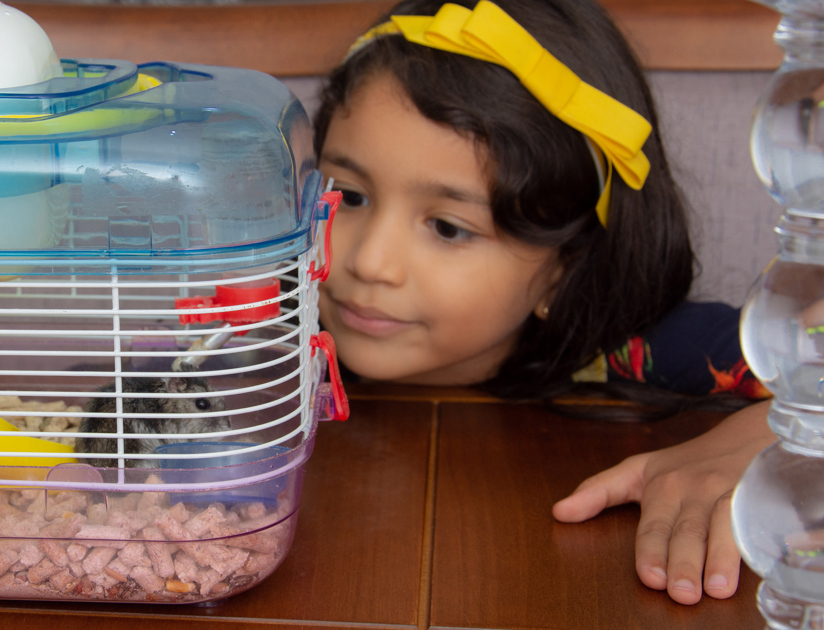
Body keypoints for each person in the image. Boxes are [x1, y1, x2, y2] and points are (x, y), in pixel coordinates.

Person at [313, 0, 775, 606]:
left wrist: (755, 443)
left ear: (564, 269)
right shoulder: (246, 335)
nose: (369, 261)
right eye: (348, 194)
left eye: (449, 227)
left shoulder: (649, 348)